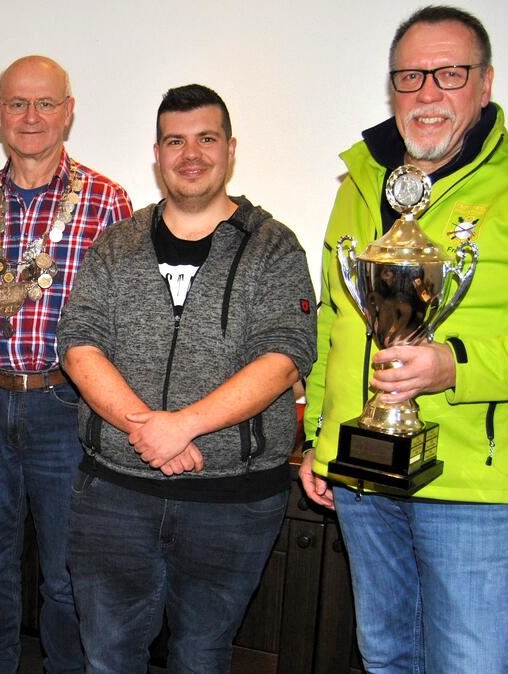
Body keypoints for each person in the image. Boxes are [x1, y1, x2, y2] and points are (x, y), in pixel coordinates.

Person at [57, 84, 316, 673]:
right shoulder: (117, 243)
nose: (190, 153)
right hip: (115, 496)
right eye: (175, 140)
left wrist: (184, 427)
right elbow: (78, 341)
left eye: (205, 138)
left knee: (202, 657)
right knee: (108, 658)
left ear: (229, 148)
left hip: (233, 503)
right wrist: (145, 428)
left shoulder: (273, 246)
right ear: (157, 153)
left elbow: (286, 354)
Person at [301, 6, 508, 671]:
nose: (427, 92)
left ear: (486, 82)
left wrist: (457, 366)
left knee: (468, 663)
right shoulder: (362, 179)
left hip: (473, 484)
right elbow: (335, 317)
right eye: (409, 76)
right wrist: (320, 441)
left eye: (449, 73)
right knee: (384, 654)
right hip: (362, 475)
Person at [0, 55, 131, 672]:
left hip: (64, 405)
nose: (30, 117)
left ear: (69, 112)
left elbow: (123, 317)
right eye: (17, 104)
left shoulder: (109, 201)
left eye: (45, 103)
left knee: (64, 572)